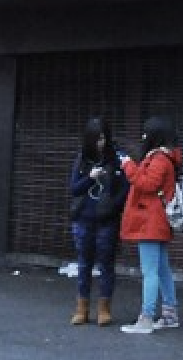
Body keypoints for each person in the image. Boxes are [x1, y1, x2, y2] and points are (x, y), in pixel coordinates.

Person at [118, 114, 183, 333]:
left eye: (146, 132)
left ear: (155, 136)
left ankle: (146, 319)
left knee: (150, 272)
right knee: (162, 269)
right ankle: (169, 314)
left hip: (150, 223)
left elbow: (146, 184)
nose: (143, 136)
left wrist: (128, 166)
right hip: (157, 222)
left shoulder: (159, 160)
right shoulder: (166, 158)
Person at [67, 115, 128, 326]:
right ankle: (82, 309)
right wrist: (90, 177)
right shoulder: (82, 159)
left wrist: (113, 207)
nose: (99, 143)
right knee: (84, 264)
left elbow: (125, 190)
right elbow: (74, 189)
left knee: (106, 265)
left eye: (102, 138)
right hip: (83, 219)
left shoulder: (117, 159)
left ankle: (104, 309)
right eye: (95, 139)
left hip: (107, 220)